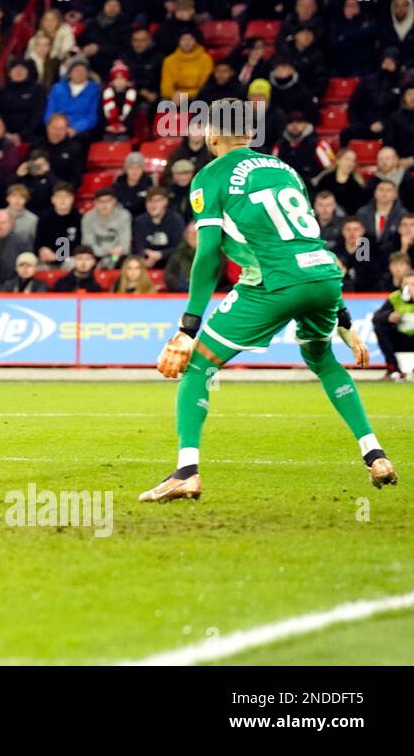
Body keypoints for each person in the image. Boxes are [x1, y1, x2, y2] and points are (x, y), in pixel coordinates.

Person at [146, 109, 395, 502]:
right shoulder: (284, 168)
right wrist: (343, 315)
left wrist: (188, 327)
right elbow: (304, 238)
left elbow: (208, 255)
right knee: (321, 359)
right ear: (248, 133)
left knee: (198, 364)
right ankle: (375, 454)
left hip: (273, 281)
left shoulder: (209, 176)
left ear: (213, 135)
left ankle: (186, 472)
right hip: (324, 276)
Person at [372, 269, 414, 380]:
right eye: (406, 284)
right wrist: (388, 316)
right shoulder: (395, 297)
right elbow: (376, 317)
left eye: (413, 284)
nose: (409, 288)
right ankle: (393, 369)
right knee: (380, 327)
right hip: (401, 338)